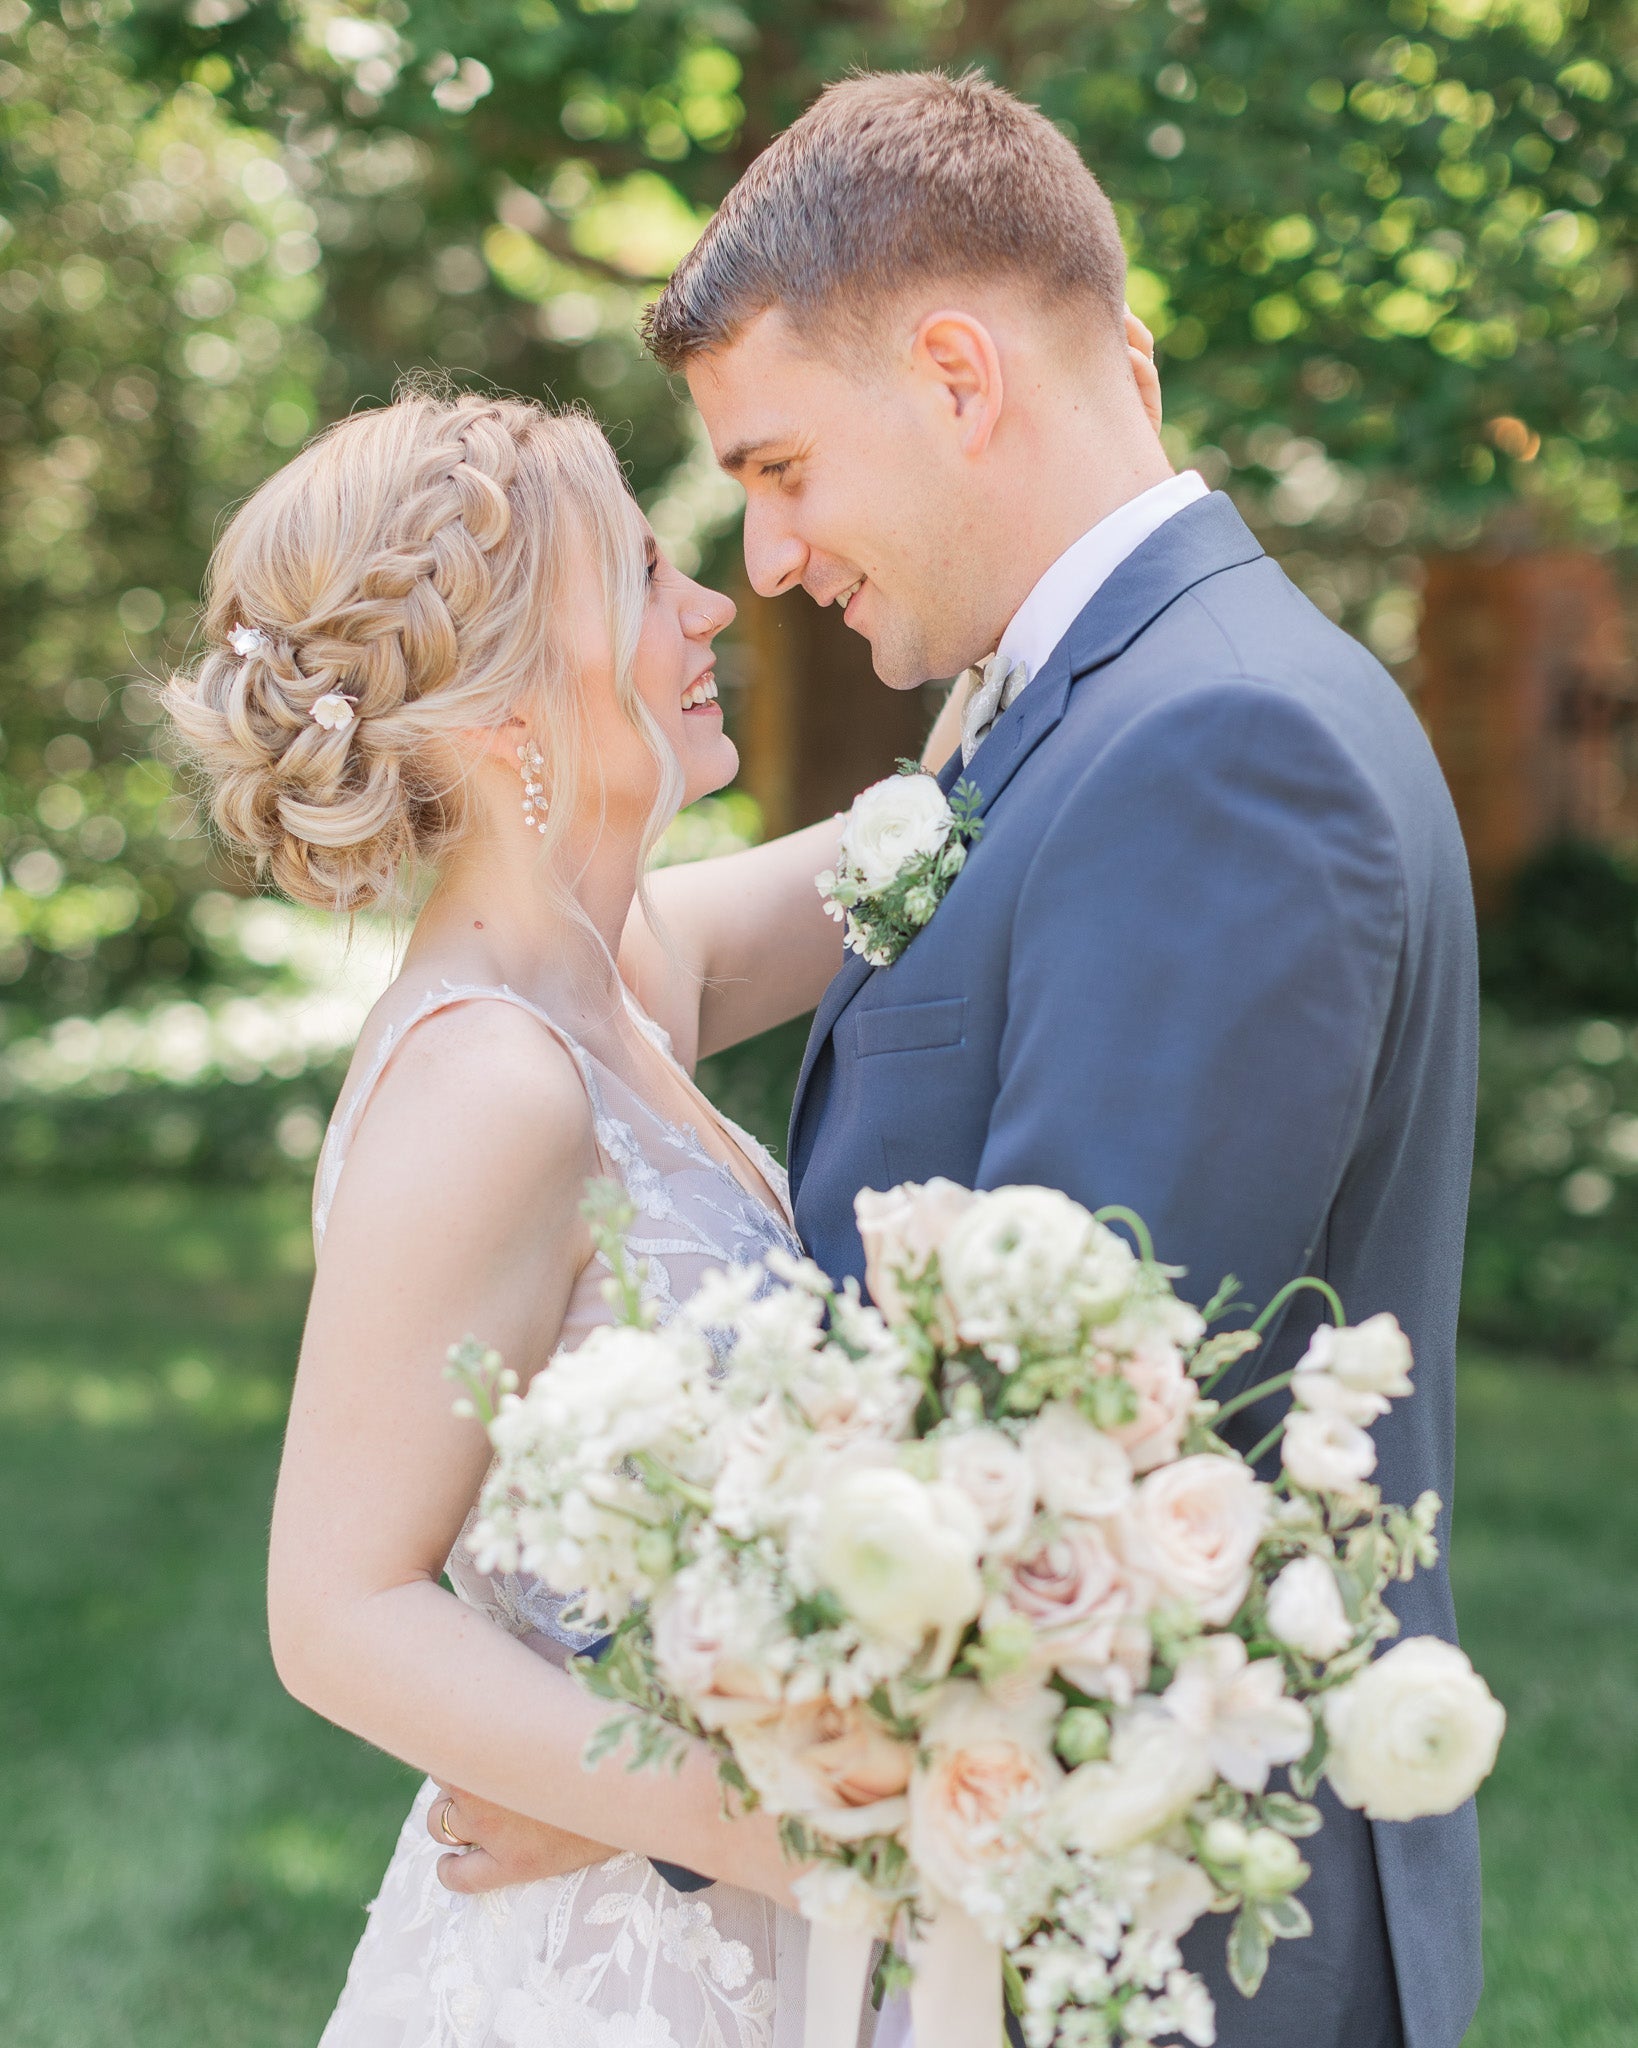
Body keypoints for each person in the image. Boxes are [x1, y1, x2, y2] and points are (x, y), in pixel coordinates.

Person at [462, 68, 1483, 2048]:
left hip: (1172, 1946)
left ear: (953, 377)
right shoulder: (1075, 724)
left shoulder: (1219, 756)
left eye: (776, 470)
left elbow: (1047, 1471)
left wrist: (620, 1771)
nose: (763, 559)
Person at [164, 387, 869, 2048]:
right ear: (501, 718)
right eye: (639, 579)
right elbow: (336, 1613)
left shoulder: (621, 979)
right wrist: (778, 1818)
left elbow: (941, 842)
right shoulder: (493, 1081)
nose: (711, 603)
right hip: (608, 1970)